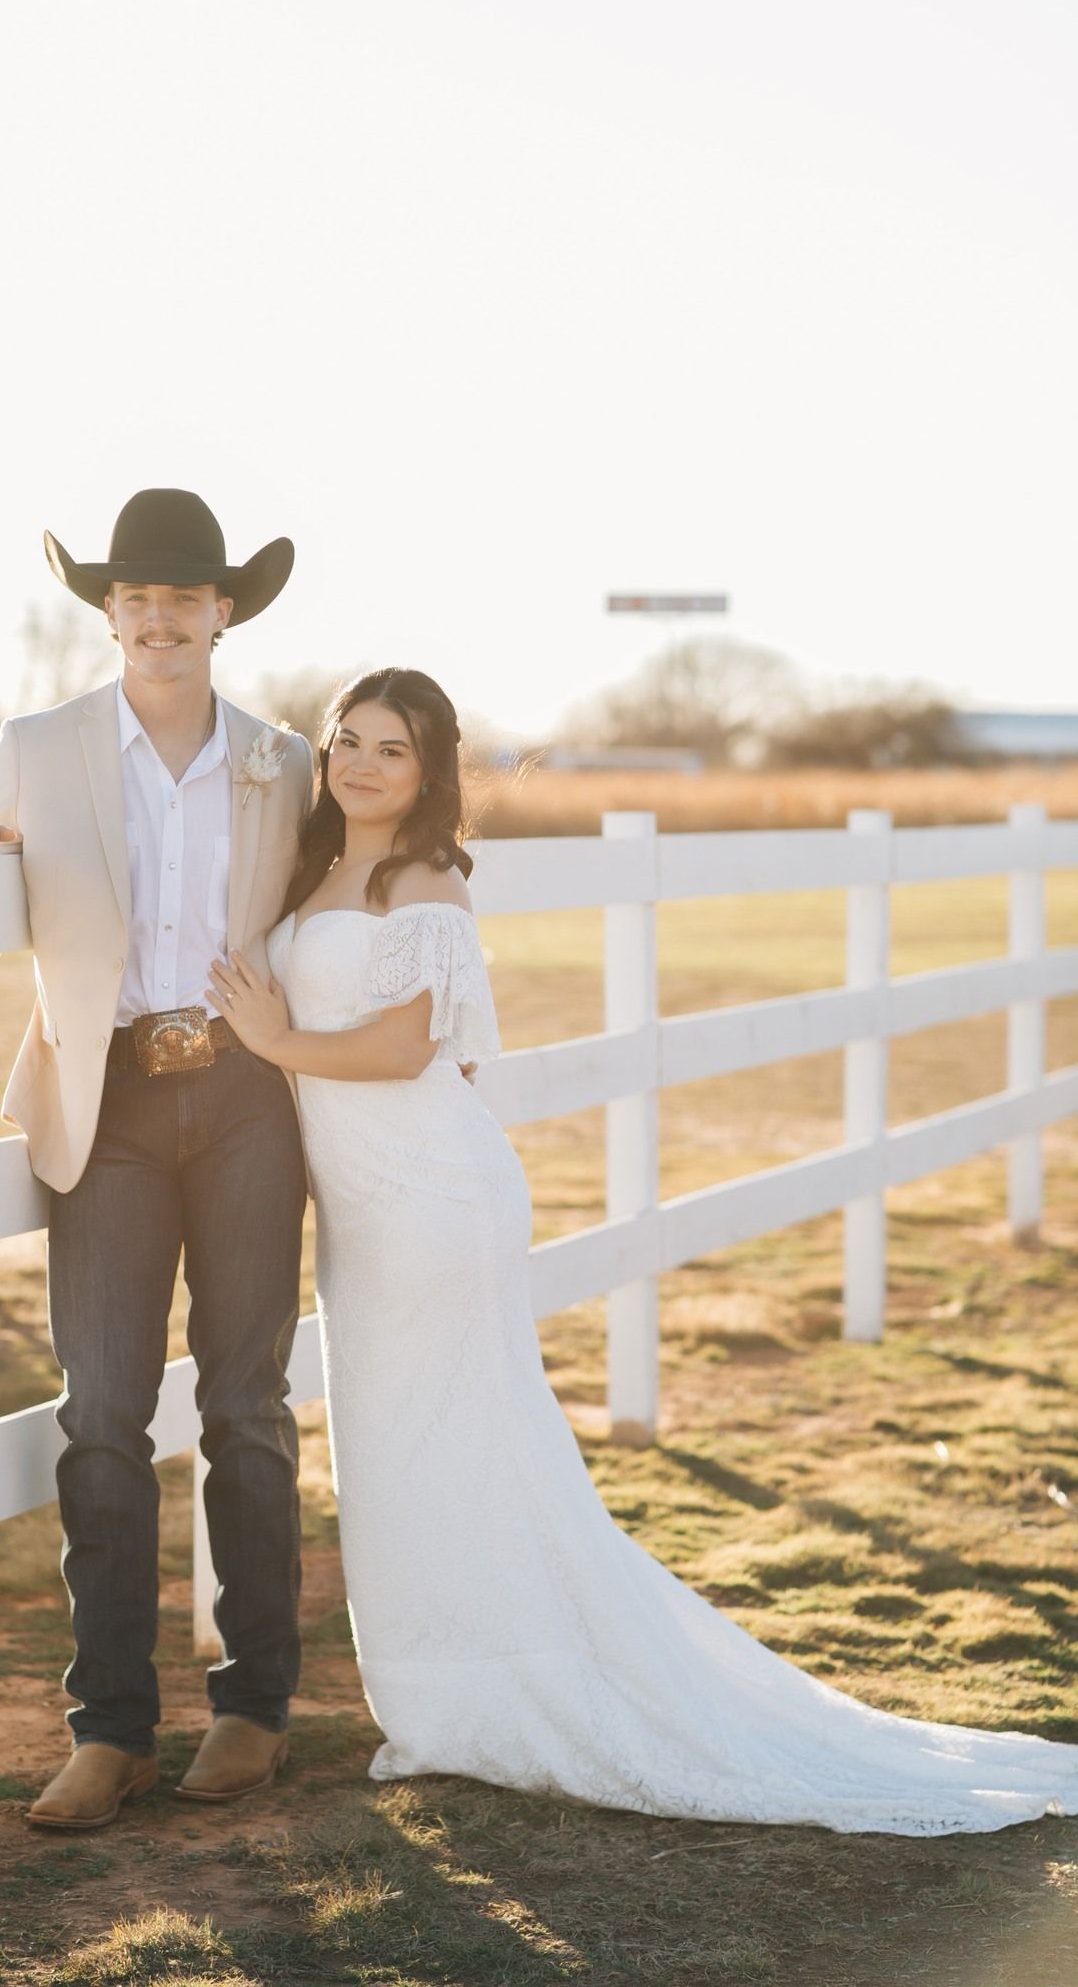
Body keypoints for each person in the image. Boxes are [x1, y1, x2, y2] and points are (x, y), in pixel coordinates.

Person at [208, 665, 1078, 1835]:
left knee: (461, 1441)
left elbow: (413, 1051)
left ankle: (506, 1695)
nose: (360, 763)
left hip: (431, 1204)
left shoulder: (424, 881)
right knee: (394, 1450)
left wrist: (275, 1036)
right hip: (364, 1211)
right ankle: (442, 1703)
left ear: (430, 771)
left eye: (391, 748)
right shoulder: (316, 870)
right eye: (346, 740)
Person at [0, 489, 313, 1829]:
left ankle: (255, 1705)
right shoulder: (35, 747)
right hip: (110, 1106)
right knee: (101, 1414)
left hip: (252, 1099)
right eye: (134, 597)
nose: (158, 617)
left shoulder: (284, 758)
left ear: (223, 614)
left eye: (183, 598)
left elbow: (343, 900)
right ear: (108, 612)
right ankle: (112, 1728)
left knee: (247, 1404)